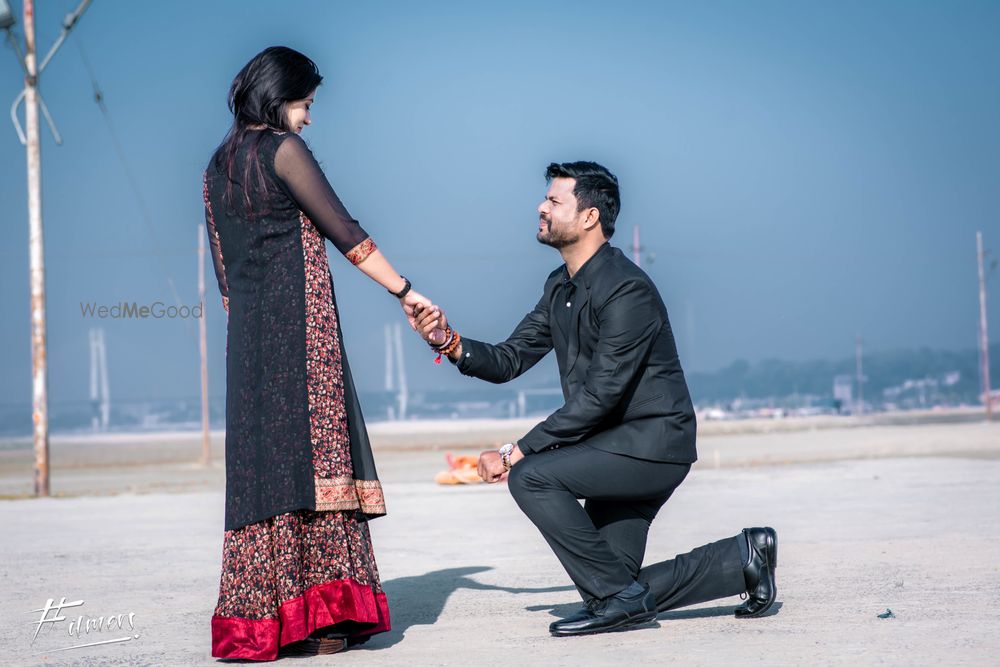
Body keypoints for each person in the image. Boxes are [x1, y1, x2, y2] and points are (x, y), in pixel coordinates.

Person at [414, 161, 778, 636]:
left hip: (652, 446)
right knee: (611, 585)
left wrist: (514, 452)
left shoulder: (626, 289)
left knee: (531, 477)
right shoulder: (559, 286)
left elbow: (601, 395)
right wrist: (448, 341)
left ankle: (620, 599)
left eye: (554, 200)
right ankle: (743, 558)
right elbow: (509, 359)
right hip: (610, 447)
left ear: (589, 217)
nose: (541, 207)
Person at [202, 46, 436, 660]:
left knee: (266, 471)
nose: (308, 118)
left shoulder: (215, 167)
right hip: (304, 333)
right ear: (279, 99)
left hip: (248, 344)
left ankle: (266, 621)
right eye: (305, 104)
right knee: (318, 463)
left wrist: (253, 332)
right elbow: (347, 233)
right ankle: (327, 617)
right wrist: (405, 291)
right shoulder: (283, 150)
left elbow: (225, 275)